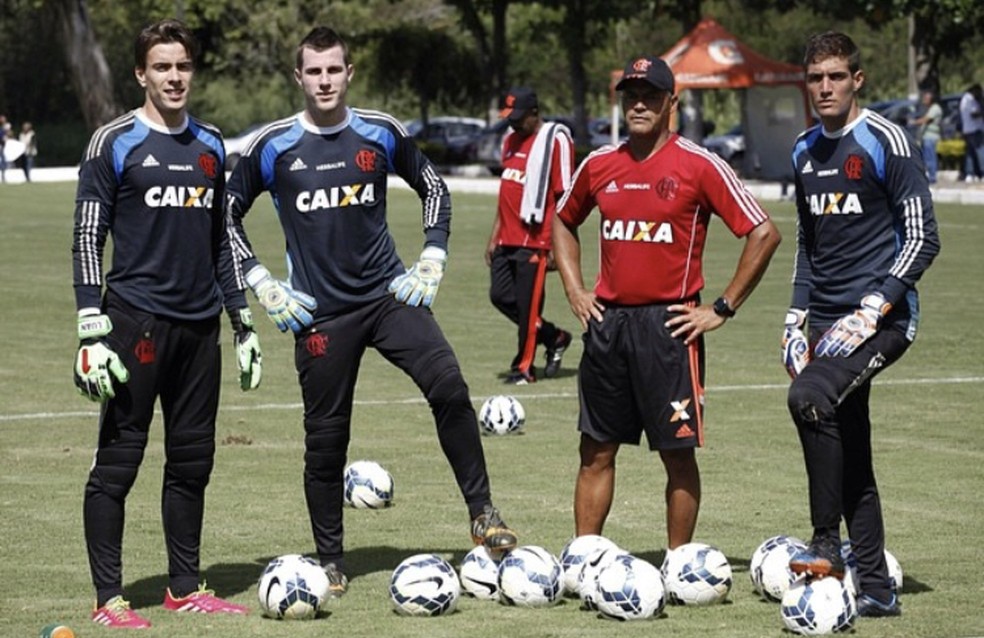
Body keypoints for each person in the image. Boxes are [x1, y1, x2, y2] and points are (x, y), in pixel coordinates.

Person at [224, 26, 517, 596]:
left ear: (349, 72)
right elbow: (224, 215)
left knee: (450, 386)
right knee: (326, 438)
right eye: (314, 71)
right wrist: (262, 281)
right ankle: (331, 561)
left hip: (388, 297)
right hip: (320, 316)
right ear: (299, 77)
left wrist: (431, 256)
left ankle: (483, 514)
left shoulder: (379, 133)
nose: (325, 80)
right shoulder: (274, 146)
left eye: (334, 69)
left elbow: (433, 186)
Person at [71, 18, 260, 628]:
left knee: (191, 463)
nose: (173, 77)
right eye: (162, 67)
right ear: (140, 74)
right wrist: (89, 327)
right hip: (134, 327)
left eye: (182, 66)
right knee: (118, 465)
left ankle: (184, 587)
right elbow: (86, 237)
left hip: (199, 328)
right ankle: (109, 599)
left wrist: (243, 322)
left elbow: (221, 241)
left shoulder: (210, 144)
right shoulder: (113, 141)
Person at [552, 55, 780, 552]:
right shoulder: (600, 165)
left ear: (671, 104)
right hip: (608, 326)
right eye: (630, 95)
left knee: (676, 455)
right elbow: (562, 220)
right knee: (595, 452)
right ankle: (584, 557)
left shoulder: (699, 165)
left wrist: (720, 308)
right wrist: (574, 289)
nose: (638, 104)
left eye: (651, 95)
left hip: (670, 329)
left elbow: (763, 233)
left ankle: (680, 564)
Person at [782, 31, 940, 618]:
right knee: (849, 446)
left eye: (836, 76)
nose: (825, 87)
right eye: (816, 77)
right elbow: (807, 240)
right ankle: (875, 588)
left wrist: (874, 306)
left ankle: (826, 541)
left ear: (857, 80)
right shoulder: (802, 150)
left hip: (882, 320)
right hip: (823, 321)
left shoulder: (887, 142)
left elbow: (925, 238)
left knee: (810, 397)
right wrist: (798, 314)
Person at [485, 86, 574, 385]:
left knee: (528, 308)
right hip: (506, 238)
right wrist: (494, 234)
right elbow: (506, 191)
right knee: (499, 296)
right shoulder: (510, 140)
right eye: (509, 117)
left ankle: (524, 368)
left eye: (519, 117)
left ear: (535, 113)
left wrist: (555, 246)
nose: (513, 123)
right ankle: (555, 336)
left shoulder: (554, 142)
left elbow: (564, 197)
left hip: (535, 241)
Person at [910, 90, 941, 184]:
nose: (924, 100)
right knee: (925, 157)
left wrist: (913, 122)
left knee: (930, 157)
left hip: (931, 136)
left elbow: (927, 119)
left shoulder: (935, 108)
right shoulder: (929, 108)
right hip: (926, 136)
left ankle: (932, 177)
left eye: (926, 98)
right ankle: (927, 176)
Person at [958, 83, 983, 181]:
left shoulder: (965, 99)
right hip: (975, 129)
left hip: (968, 130)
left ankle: (970, 173)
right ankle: (982, 172)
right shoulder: (969, 99)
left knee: (970, 154)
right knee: (980, 152)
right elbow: (973, 113)